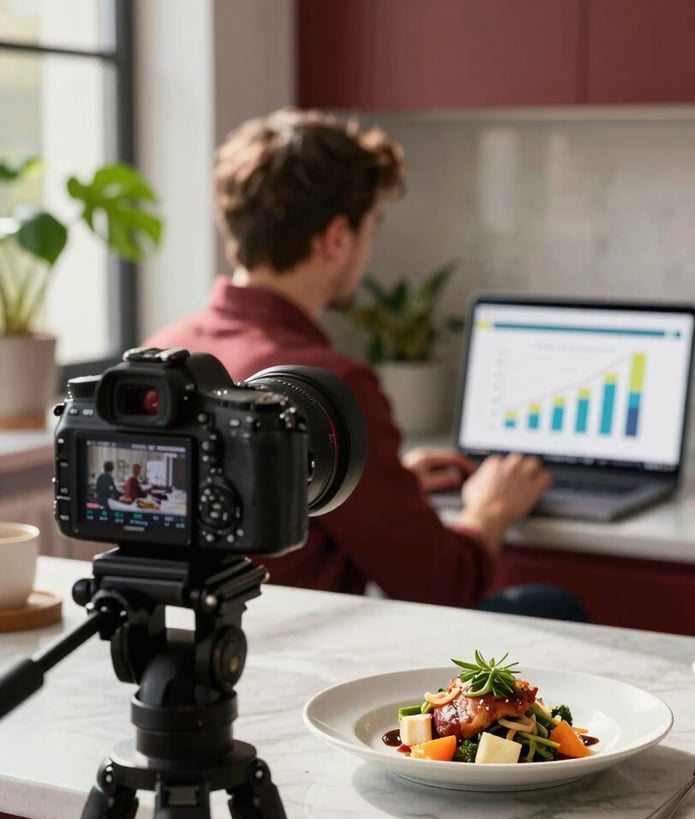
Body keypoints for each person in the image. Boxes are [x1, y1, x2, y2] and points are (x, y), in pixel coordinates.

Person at [142, 107, 586, 621]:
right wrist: (488, 509)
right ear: (335, 237)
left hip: (204, 647)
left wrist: (382, 481)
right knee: (553, 605)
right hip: (306, 664)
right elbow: (442, 585)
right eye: (371, 228)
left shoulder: (163, 350)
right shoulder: (323, 388)